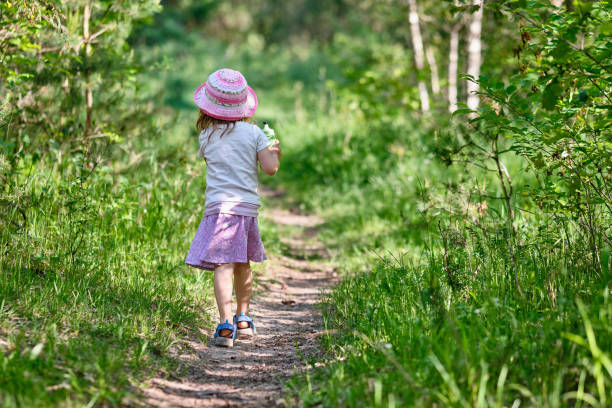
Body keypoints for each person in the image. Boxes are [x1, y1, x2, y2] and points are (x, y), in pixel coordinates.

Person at [185, 68, 281, 347]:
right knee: (243, 263)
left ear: (208, 107)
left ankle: (226, 325)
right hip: (245, 209)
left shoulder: (206, 138)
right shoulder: (255, 134)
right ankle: (244, 318)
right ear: (243, 106)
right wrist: (275, 153)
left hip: (218, 209)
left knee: (222, 265)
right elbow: (270, 169)